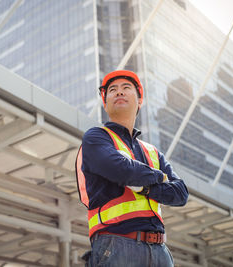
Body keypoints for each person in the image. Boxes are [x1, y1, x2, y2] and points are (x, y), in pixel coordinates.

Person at [75, 70, 189, 267]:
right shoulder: (96, 137)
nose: (119, 92)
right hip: (116, 244)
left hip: (160, 250)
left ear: (140, 100)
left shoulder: (152, 151)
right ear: (105, 102)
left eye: (126, 88)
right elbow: (122, 170)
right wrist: (159, 177)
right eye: (112, 90)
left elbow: (181, 193)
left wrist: (144, 187)